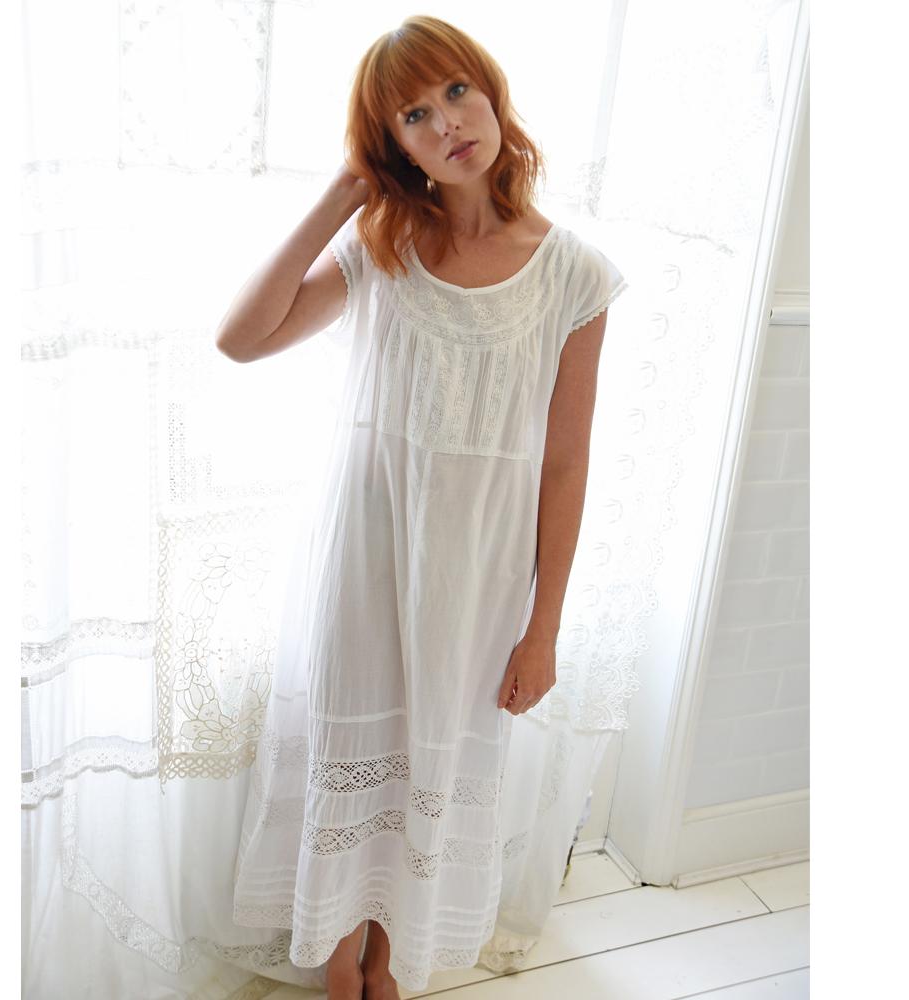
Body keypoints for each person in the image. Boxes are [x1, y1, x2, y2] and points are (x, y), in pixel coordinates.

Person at [217, 15, 627, 1000]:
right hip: (366, 556)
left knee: (433, 764)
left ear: (490, 94)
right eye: (412, 115)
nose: (446, 123)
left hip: (480, 575)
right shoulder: (382, 246)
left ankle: (390, 954)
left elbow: (565, 463)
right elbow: (240, 339)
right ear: (390, 146)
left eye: (455, 91)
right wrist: (339, 195)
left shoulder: (573, 273)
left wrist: (544, 629)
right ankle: (340, 952)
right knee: (357, 749)